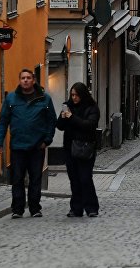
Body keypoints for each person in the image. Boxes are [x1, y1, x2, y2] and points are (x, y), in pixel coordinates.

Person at [0, 69, 57, 218]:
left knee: (35, 178)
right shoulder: (11, 99)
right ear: (19, 80)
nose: (26, 80)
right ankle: (17, 209)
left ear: (33, 80)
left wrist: (47, 140)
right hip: (17, 146)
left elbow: (51, 121)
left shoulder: (44, 99)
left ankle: (35, 208)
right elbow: (3, 122)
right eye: (23, 78)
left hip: (37, 146)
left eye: (28, 78)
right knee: (17, 179)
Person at [55, 82, 100, 218]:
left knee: (85, 178)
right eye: (72, 95)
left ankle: (91, 207)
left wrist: (71, 117)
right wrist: (63, 118)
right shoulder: (67, 106)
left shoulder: (92, 108)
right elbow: (59, 126)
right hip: (70, 149)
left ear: (83, 95)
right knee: (74, 179)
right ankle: (76, 208)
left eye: (76, 95)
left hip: (85, 148)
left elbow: (89, 125)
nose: (74, 97)